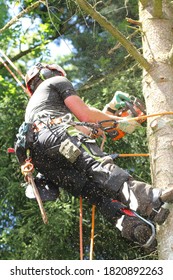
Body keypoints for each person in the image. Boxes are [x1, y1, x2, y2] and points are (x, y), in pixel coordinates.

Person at [15, 62, 173, 251]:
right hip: (57, 135)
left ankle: (133, 226)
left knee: (96, 194)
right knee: (99, 167)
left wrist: (113, 114)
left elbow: (88, 129)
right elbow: (85, 116)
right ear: (50, 72)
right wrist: (123, 122)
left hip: (43, 161)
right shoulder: (57, 81)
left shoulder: (37, 108)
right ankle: (151, 201)